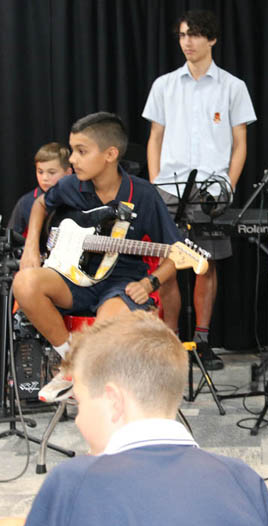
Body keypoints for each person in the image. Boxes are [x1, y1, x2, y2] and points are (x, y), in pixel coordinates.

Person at [0, 312, 268, 526]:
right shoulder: (243, 478)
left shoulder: (71, 481)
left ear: (113, 401)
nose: (78, 420)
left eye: (79, 403)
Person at [13, 112, 182, 403]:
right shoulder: (70, 185)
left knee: (106, 325)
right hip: (74, 279)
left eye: (81, 152)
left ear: (110, 154)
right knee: (25, 283)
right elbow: (40, 204)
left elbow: (176, 253)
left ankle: (79, 374)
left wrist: (150, 283)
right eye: (72, 151)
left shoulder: (143, 194)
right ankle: (72, 363)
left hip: (121, 284)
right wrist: (31, 246)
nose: (72, 160)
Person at [142, 9, 257, 370]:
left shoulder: (232, 86)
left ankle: (202, 340)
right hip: (169, 188)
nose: (187, 42)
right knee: (168, 265)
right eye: (182, 35)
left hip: (211, 190)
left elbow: (240, 142)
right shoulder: (164, 85)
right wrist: (155, 183)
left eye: (193, 35)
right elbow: (155, 137)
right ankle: (170, 339)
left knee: (205, 266)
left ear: (212, 39)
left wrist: (228, 185)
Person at [8, 142, 73, 237]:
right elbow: (12, 237)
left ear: (68, 173)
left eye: (51, 172)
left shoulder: (78, 199)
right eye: (40, 172)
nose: (44, 178)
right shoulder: (25, 202)